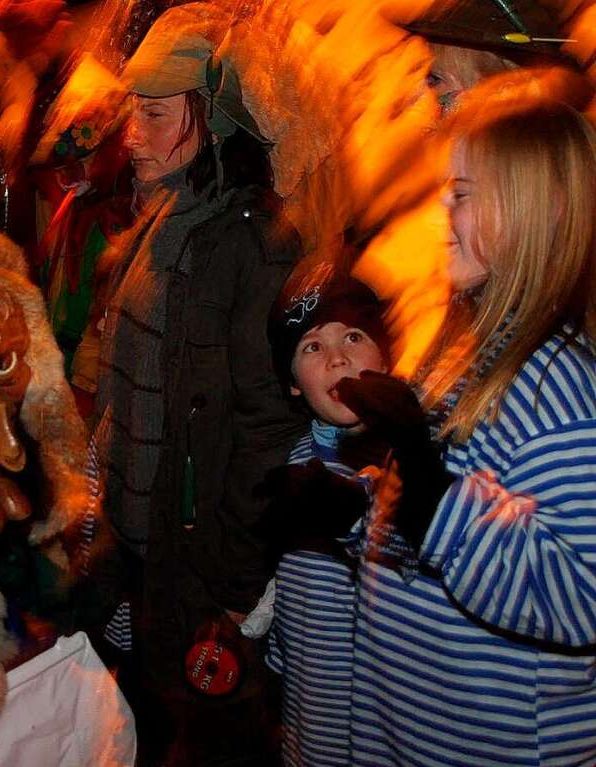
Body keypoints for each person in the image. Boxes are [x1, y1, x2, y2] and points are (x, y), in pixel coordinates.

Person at [338, 101, 596, 766]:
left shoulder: (557, 389)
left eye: (462, 196)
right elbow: (440, 518)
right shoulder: (467, 352)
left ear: (540, 211)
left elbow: (582, 591)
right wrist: (356, 508)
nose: (441, 218)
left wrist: (433, 498)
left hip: (497, 744)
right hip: (420, 729)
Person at [84, 4, 305, 764]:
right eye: (130, 114)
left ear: (210, 119)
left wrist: (237, 592)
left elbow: (266, 428)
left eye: (152, 115)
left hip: (200, 568)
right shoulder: (165, 216)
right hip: (142, 549)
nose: (131, 136)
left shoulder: (254, 242)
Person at [244, 260, 390, 767]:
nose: (336, 360)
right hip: (310, 726)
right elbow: (291, 587)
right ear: (291, 382)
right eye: (312, 347)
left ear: (387, 353)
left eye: (353, 337)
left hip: (383, 732)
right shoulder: (296, 463)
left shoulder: (411, 469)